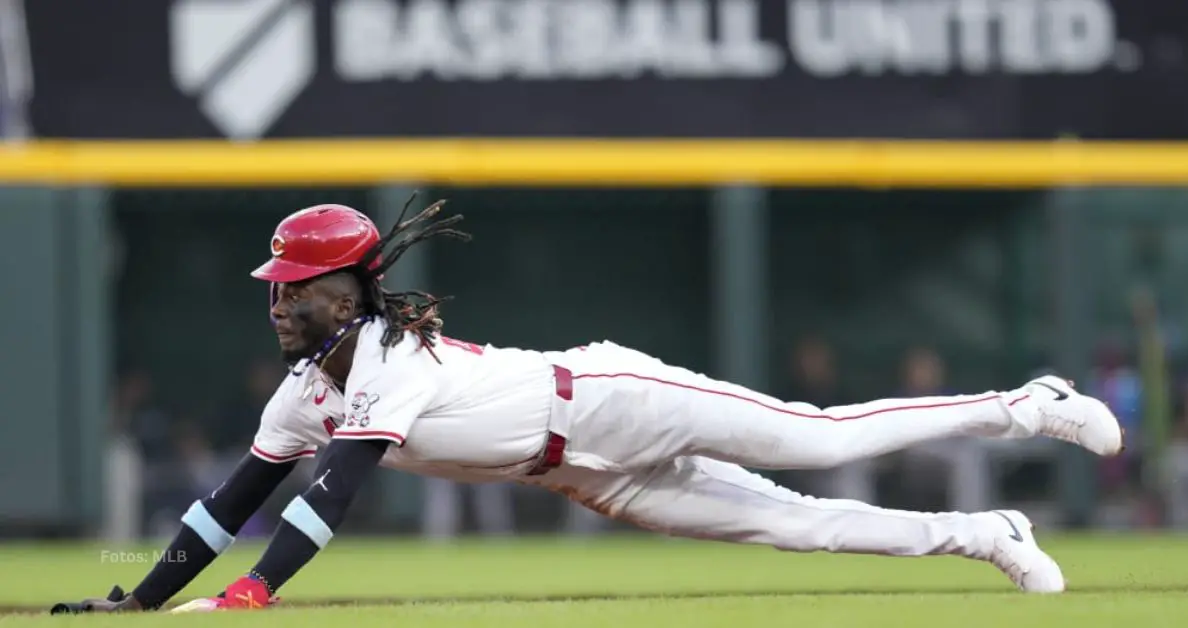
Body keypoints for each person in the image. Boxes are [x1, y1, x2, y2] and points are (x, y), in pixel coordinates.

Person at [52, 198, 1124, 615]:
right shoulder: (302, 391)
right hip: (581, 473)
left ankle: (1026, 404)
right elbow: (230, 497)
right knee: (799, 524)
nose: (277, 299)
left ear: (350, 288)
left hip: (612, 398)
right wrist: (143, 602)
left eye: (294, 284)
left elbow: (332, 492)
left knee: (820, 435)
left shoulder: (392, 354)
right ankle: (986, 534)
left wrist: (252, 599)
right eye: (276, 286)